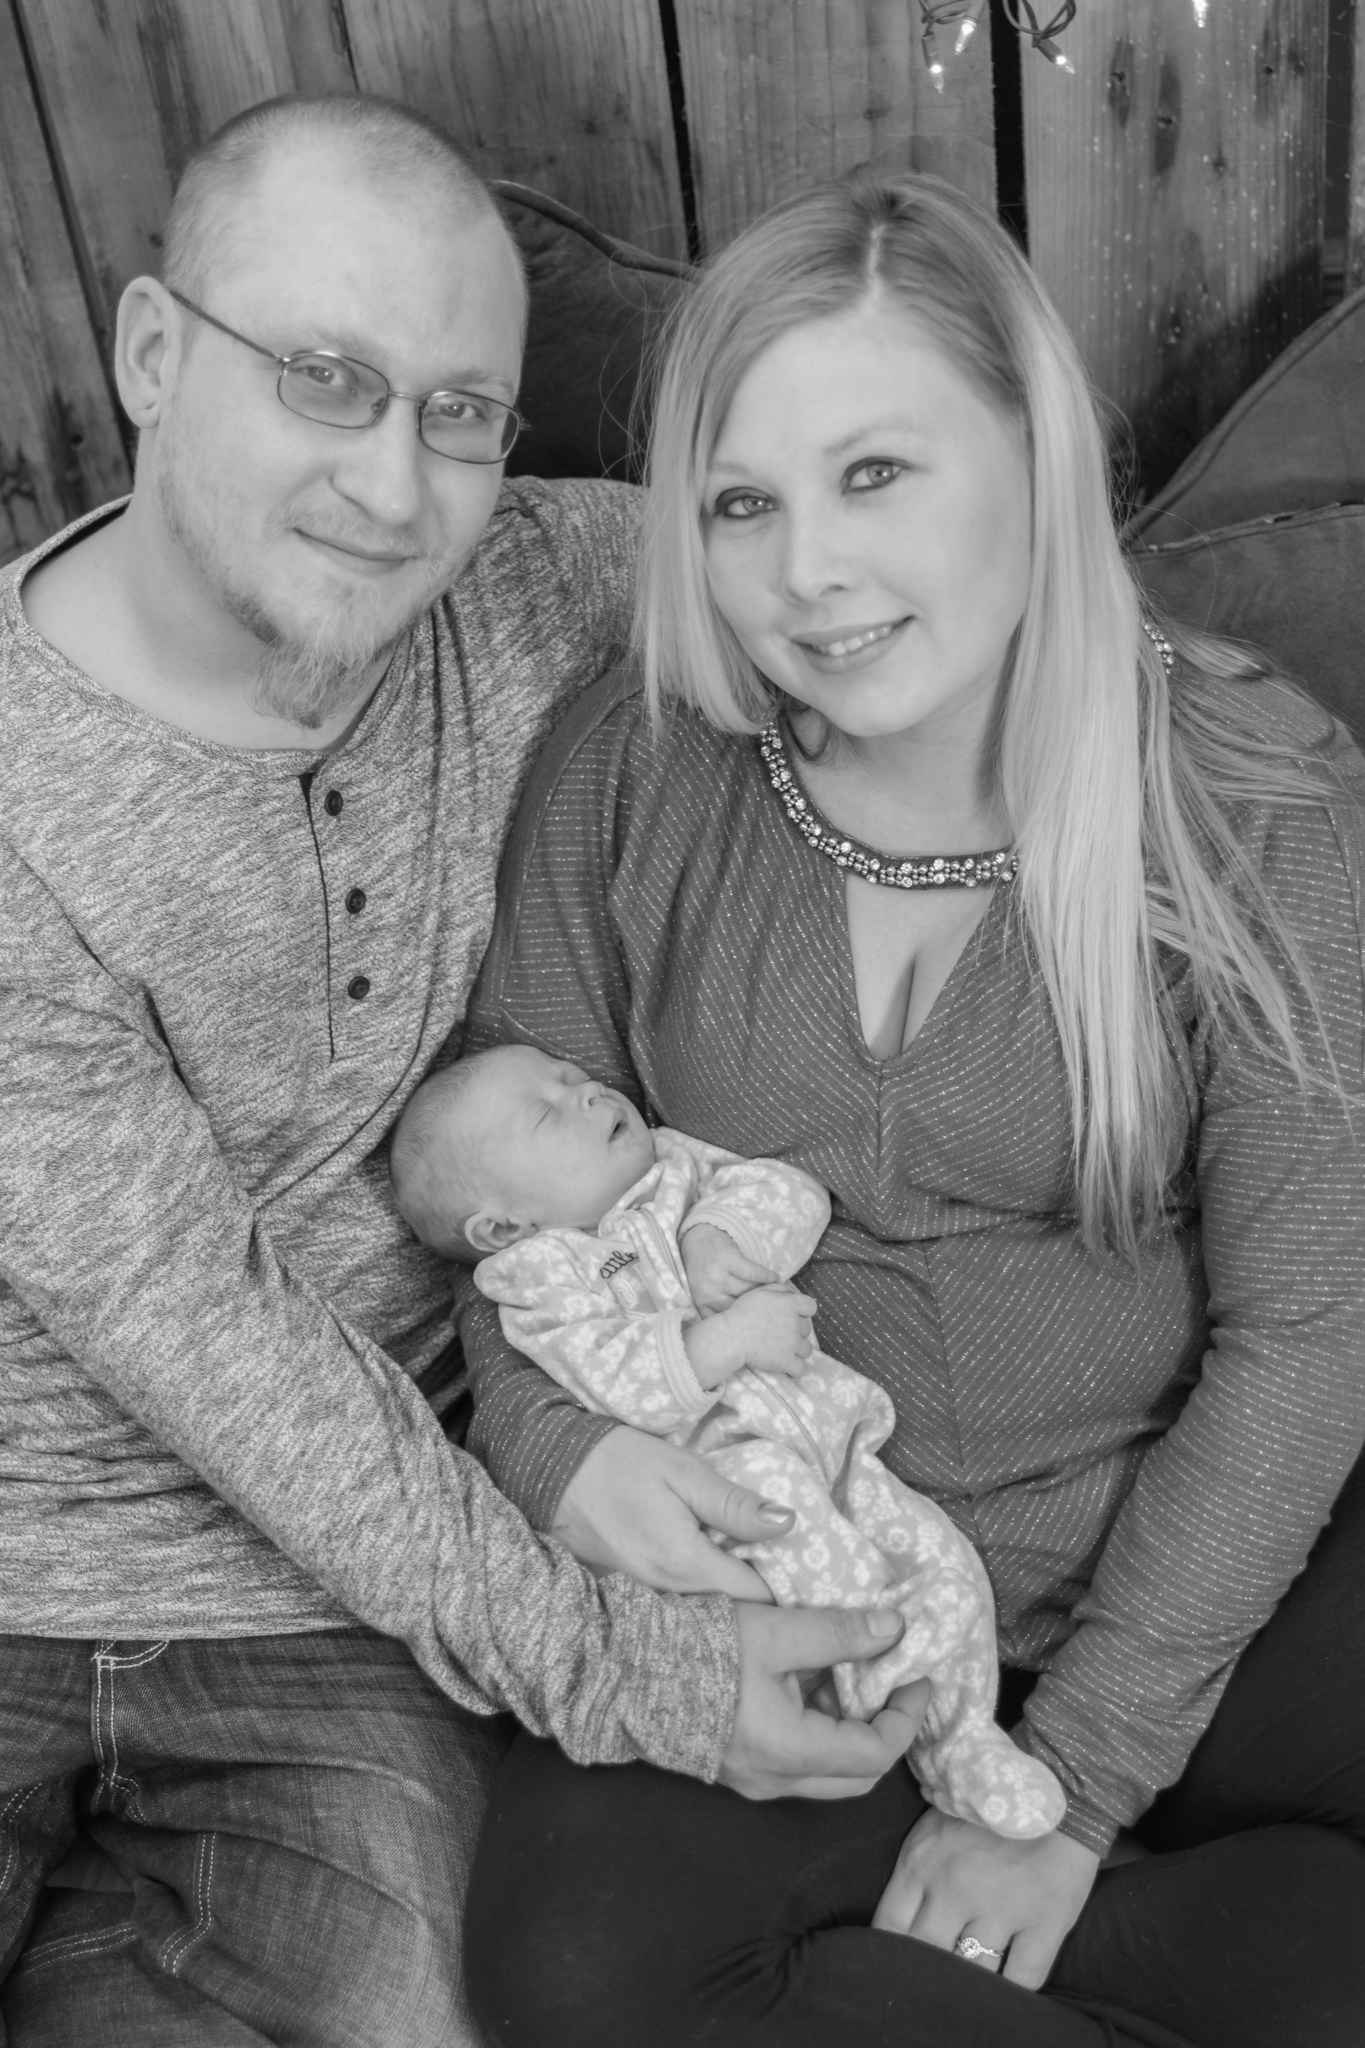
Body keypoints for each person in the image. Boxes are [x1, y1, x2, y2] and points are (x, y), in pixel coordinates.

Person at [0, 97, 928, 2048]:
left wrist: (1188, 705)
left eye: (458, 411)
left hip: (330, 1608)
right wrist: (627, 1671)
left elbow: (906, 577)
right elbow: (198, 1324)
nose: (393, 483)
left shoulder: (538, 581)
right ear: (153, 354)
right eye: (324, 377)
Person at [457, 168, 1365, 2047]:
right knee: (575, 1972)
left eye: (874, 473)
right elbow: (507, 1206)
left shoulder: (1249, 792)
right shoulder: (632, 767)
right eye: (742, 504)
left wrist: (1076, 1788)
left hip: (1193, 1545)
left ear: (1032, 456)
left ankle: (1055, 1932)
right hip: (813, 1556)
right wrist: (561, 1455)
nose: (809, 572)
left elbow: (1310, 1332)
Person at [391, 1041, 1066, 1835]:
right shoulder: (540, 1281)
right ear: (502, 1224)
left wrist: (719, 1234)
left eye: (575, 1079)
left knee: (941, 1560)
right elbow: (611, 1377)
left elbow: (791, 1190)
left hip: (836, 1443)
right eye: (548, 1112)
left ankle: (962, 1743)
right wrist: (726, 1339)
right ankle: (875, 1694)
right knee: (818, 1549)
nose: (590, 1095)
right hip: (723, 1478)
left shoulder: (675, 1166)